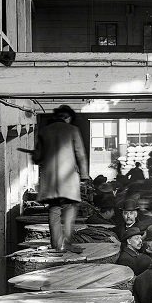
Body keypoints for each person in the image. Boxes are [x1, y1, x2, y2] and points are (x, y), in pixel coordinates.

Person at [31, 105, 89, 251]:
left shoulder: (44, 132)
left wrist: (37, 154)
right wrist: (84, 175)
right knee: (70, 208)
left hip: (50, 183)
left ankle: (57, 245)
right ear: (68, 118)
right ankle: (67, 242)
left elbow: (37, 158)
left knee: (54, 210)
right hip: (68, 181)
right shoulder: (73, 130)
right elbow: (80, 154)